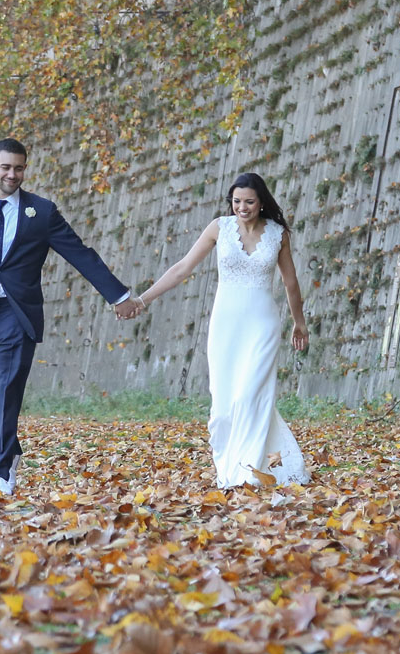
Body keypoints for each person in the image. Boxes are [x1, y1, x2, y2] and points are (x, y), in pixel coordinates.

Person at [0, 137, 139, 493]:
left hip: (16, 312)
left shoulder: (41, 212)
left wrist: (119, 296)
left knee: (5, 388)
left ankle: (0, 474)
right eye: (5, 167)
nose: (12, 174)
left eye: (19, 168)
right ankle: (9, 449)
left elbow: (80, 254)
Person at [132, 173, 309, 488]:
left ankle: (249, 474)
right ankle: (229, 470)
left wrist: (299, 322)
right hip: (225, 325)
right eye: (237, 201)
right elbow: (182, 268)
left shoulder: (278, 235)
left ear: (262, 202)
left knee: (250, 396)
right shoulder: (219, 228)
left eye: (249, 202)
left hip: (262, 325)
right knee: (224, 407)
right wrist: (143, 300)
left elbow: (290, 282)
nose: (242, 207)